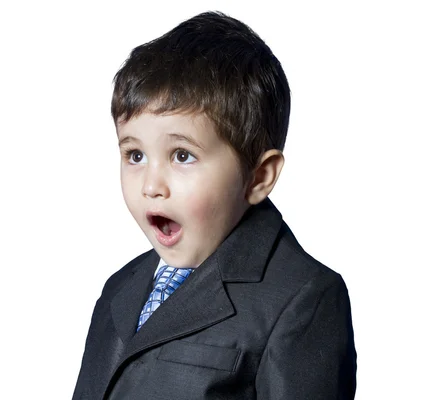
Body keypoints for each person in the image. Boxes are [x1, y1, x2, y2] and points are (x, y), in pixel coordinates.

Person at [73, 11, 356, 400]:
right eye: (135, 155)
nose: (152, 186)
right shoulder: (120, 287)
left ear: (259, 176)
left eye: (182, 156)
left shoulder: (303, 300)